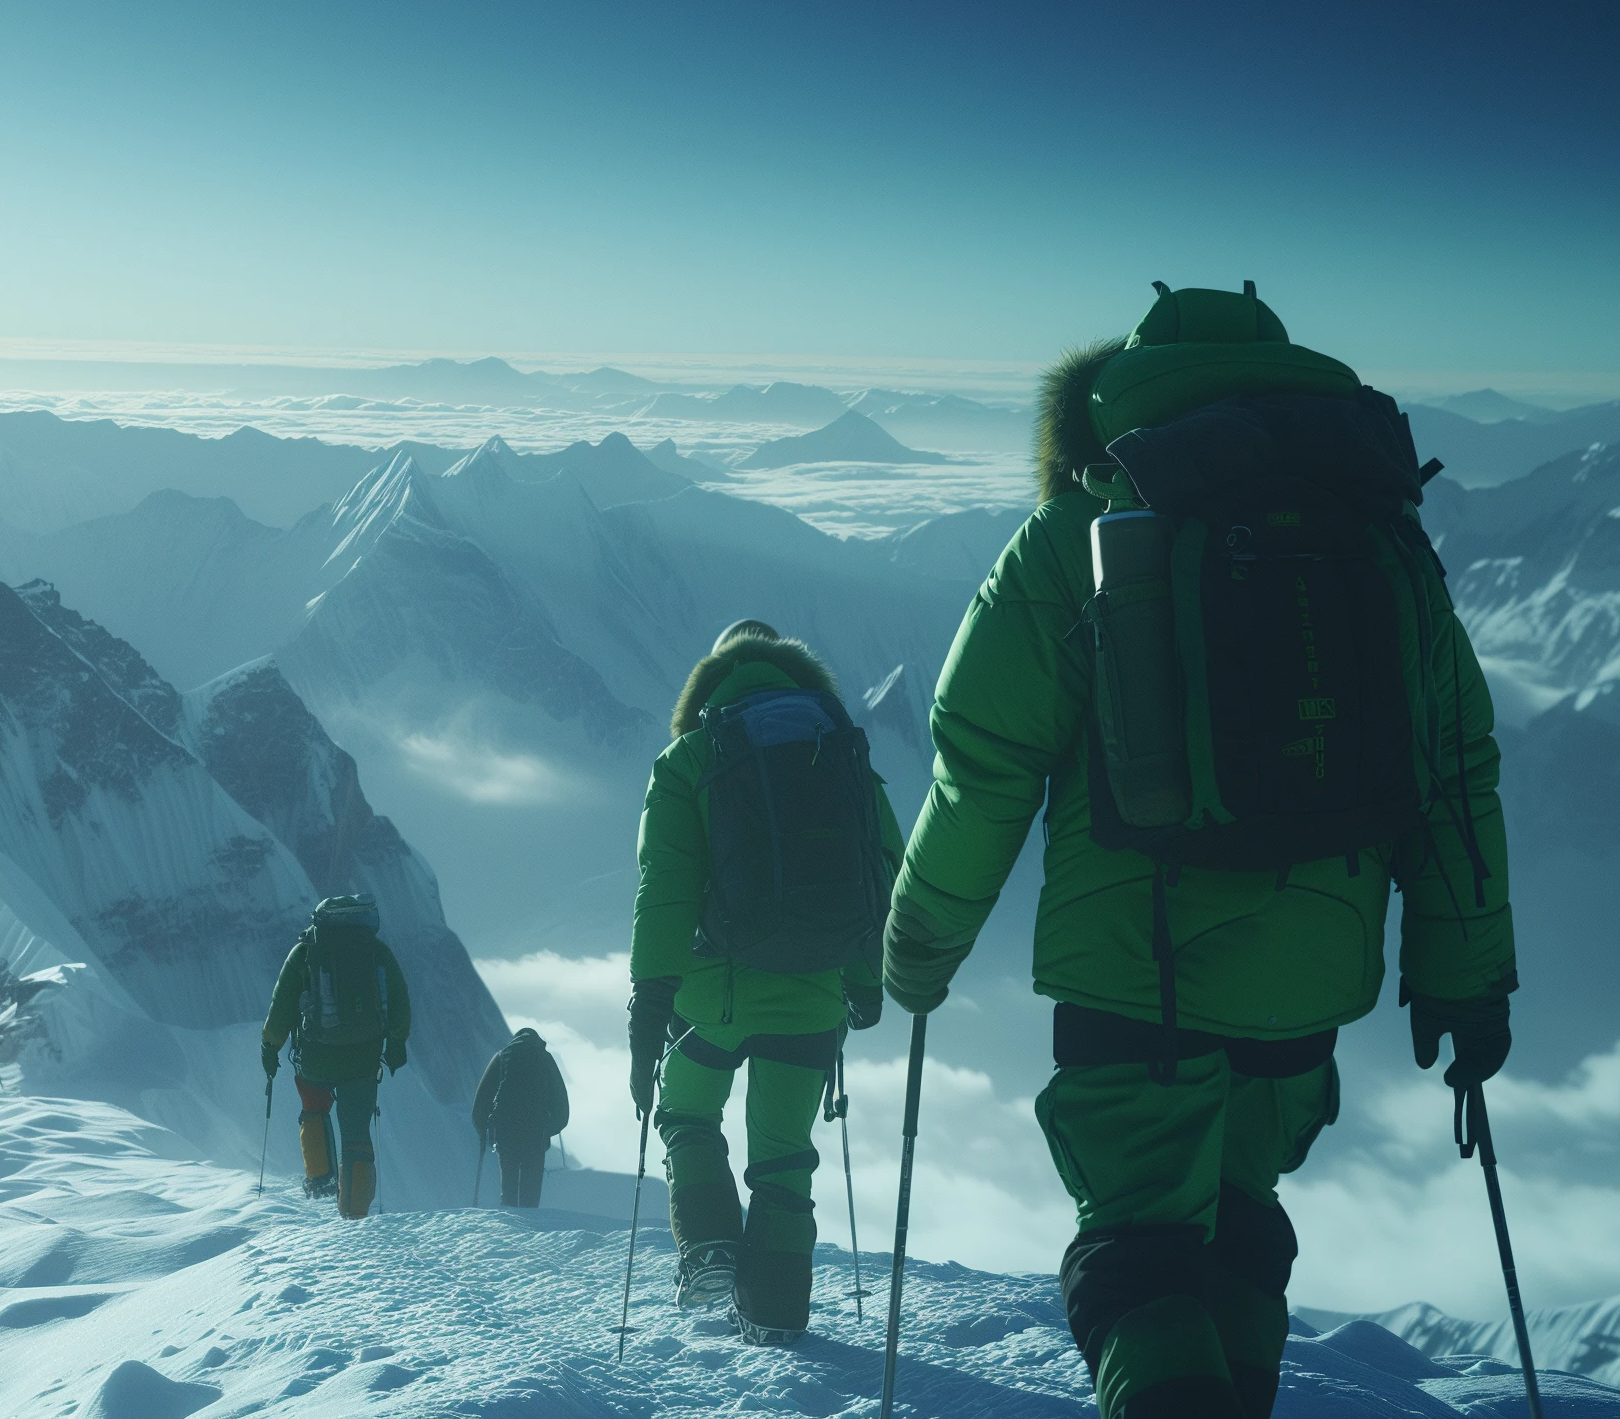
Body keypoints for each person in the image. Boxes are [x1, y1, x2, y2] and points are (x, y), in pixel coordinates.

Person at [881, 284, 1515, 1419]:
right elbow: (1455, 768)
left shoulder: (1074, 536)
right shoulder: (1384, 540)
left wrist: (919, 943)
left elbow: (981, 766)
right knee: (1235, 1235)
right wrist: (1464, 975)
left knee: (1136, 1255)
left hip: (1135, 971)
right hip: (1307, 985)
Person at [626, 620, 900, 1344]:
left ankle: (710, 1246)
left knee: (687, 1116)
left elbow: (664, 889)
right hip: (810, 998)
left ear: (711, 682)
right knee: (783, 1157)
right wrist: (866, 982)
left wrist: (648, 1006)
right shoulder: (842, 756)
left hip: (708, 1001)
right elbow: (882, 876)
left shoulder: (689, 759)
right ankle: (776, 1311)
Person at [262, 894, 412, 1219]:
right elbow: (399, 1004)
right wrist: (396, 1044)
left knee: (313, 1109)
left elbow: (282, 1006)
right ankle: (354, 1213)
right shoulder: (377, 953)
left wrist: (269, 1048)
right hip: (363, 1059)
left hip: (315, 1057)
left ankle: (320, 1183)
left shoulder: (305, 953)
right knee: (357, 1132)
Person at [472, 1027, 571, 1208]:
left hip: (506, 1131)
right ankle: (530, 1228)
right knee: (530, 1191)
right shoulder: (545, 1059)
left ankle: (510, 1225)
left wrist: (484, 1131)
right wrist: (548, 1129)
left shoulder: (502, 1057)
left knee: (508, 1187)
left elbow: (481, 1101)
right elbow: (561, 1104)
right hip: (535, 1132)